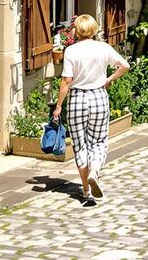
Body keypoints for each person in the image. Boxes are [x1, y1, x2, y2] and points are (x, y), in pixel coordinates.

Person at [52, 14, 130, 207]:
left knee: (80, 145)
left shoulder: (71, 50)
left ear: (76, 30)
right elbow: (125, 66)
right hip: (98, 97)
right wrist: (109, 79)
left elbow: (66, 81)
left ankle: (87, 191)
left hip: (78, 99)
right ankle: (94, 171)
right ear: (94, 29)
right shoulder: (103, 48)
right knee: (99, 141)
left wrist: (59, 106)